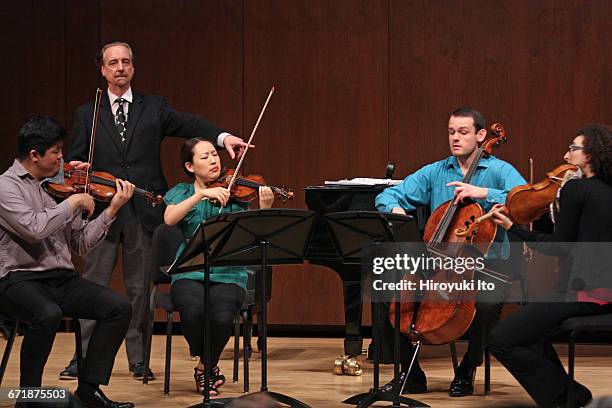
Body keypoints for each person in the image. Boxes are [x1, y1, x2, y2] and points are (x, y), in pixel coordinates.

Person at [62, 40, 252, 381]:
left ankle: (139, 359)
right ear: (103, 70)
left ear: (133, 67)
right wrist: (76, 165)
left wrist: (224, 139)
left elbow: (190, 123)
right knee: (91, 285)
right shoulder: (86, 112)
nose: (120, 67)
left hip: (144, 211)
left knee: (139, 289)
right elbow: (76, 158)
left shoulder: (154, 108)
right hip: (104, 209)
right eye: (113, 63)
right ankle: (82, 358)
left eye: (126, 62)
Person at [375, 106, 526, 396]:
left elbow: (524, 200)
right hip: (436, 263)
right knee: (387, 294)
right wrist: (395, 209)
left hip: (487, 264)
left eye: (463, 132)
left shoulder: (499, 170)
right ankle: (411, 373)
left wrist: (484, 194)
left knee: (486, 304)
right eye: (451, 132)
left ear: (482, 136)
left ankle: (468, 368)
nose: (455, 137)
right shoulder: (436, 171)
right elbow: (389, 194)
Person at [0, 116, 135, 408]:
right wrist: (72, 203)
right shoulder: (5, 187)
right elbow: (33, 229)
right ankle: (29, 399)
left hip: (61, 279)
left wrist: (110, 210)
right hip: (17, 280)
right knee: (47, 314)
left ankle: (88, 391)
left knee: (118, 307)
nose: (63, 158)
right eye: (57, 151)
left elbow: (80, 244)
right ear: (34, 155)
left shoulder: (58, 187)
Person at [488, 124, 612, 408]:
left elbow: (559, 245)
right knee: (530, 329)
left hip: (586, 295)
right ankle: (566, 395)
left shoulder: (576, 188)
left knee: (500, 339)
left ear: (589, 156)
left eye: (573, 148)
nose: (565, 154)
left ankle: (569, 397)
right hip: (601, 291)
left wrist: (514, 228)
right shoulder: (605, 191)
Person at [164, 138, 275, 396]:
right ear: (190, 166)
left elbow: (254, 233)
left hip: (229, 270)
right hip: (189, 269)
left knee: (223, 315)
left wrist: (265, 207)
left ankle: (205, 366)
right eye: (205, 157)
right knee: (191, 311)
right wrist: (201, 194)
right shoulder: (182, 191)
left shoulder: (235, 192)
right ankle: (209, 366)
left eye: (215, 154)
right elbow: (169, 218)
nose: (214, 160)